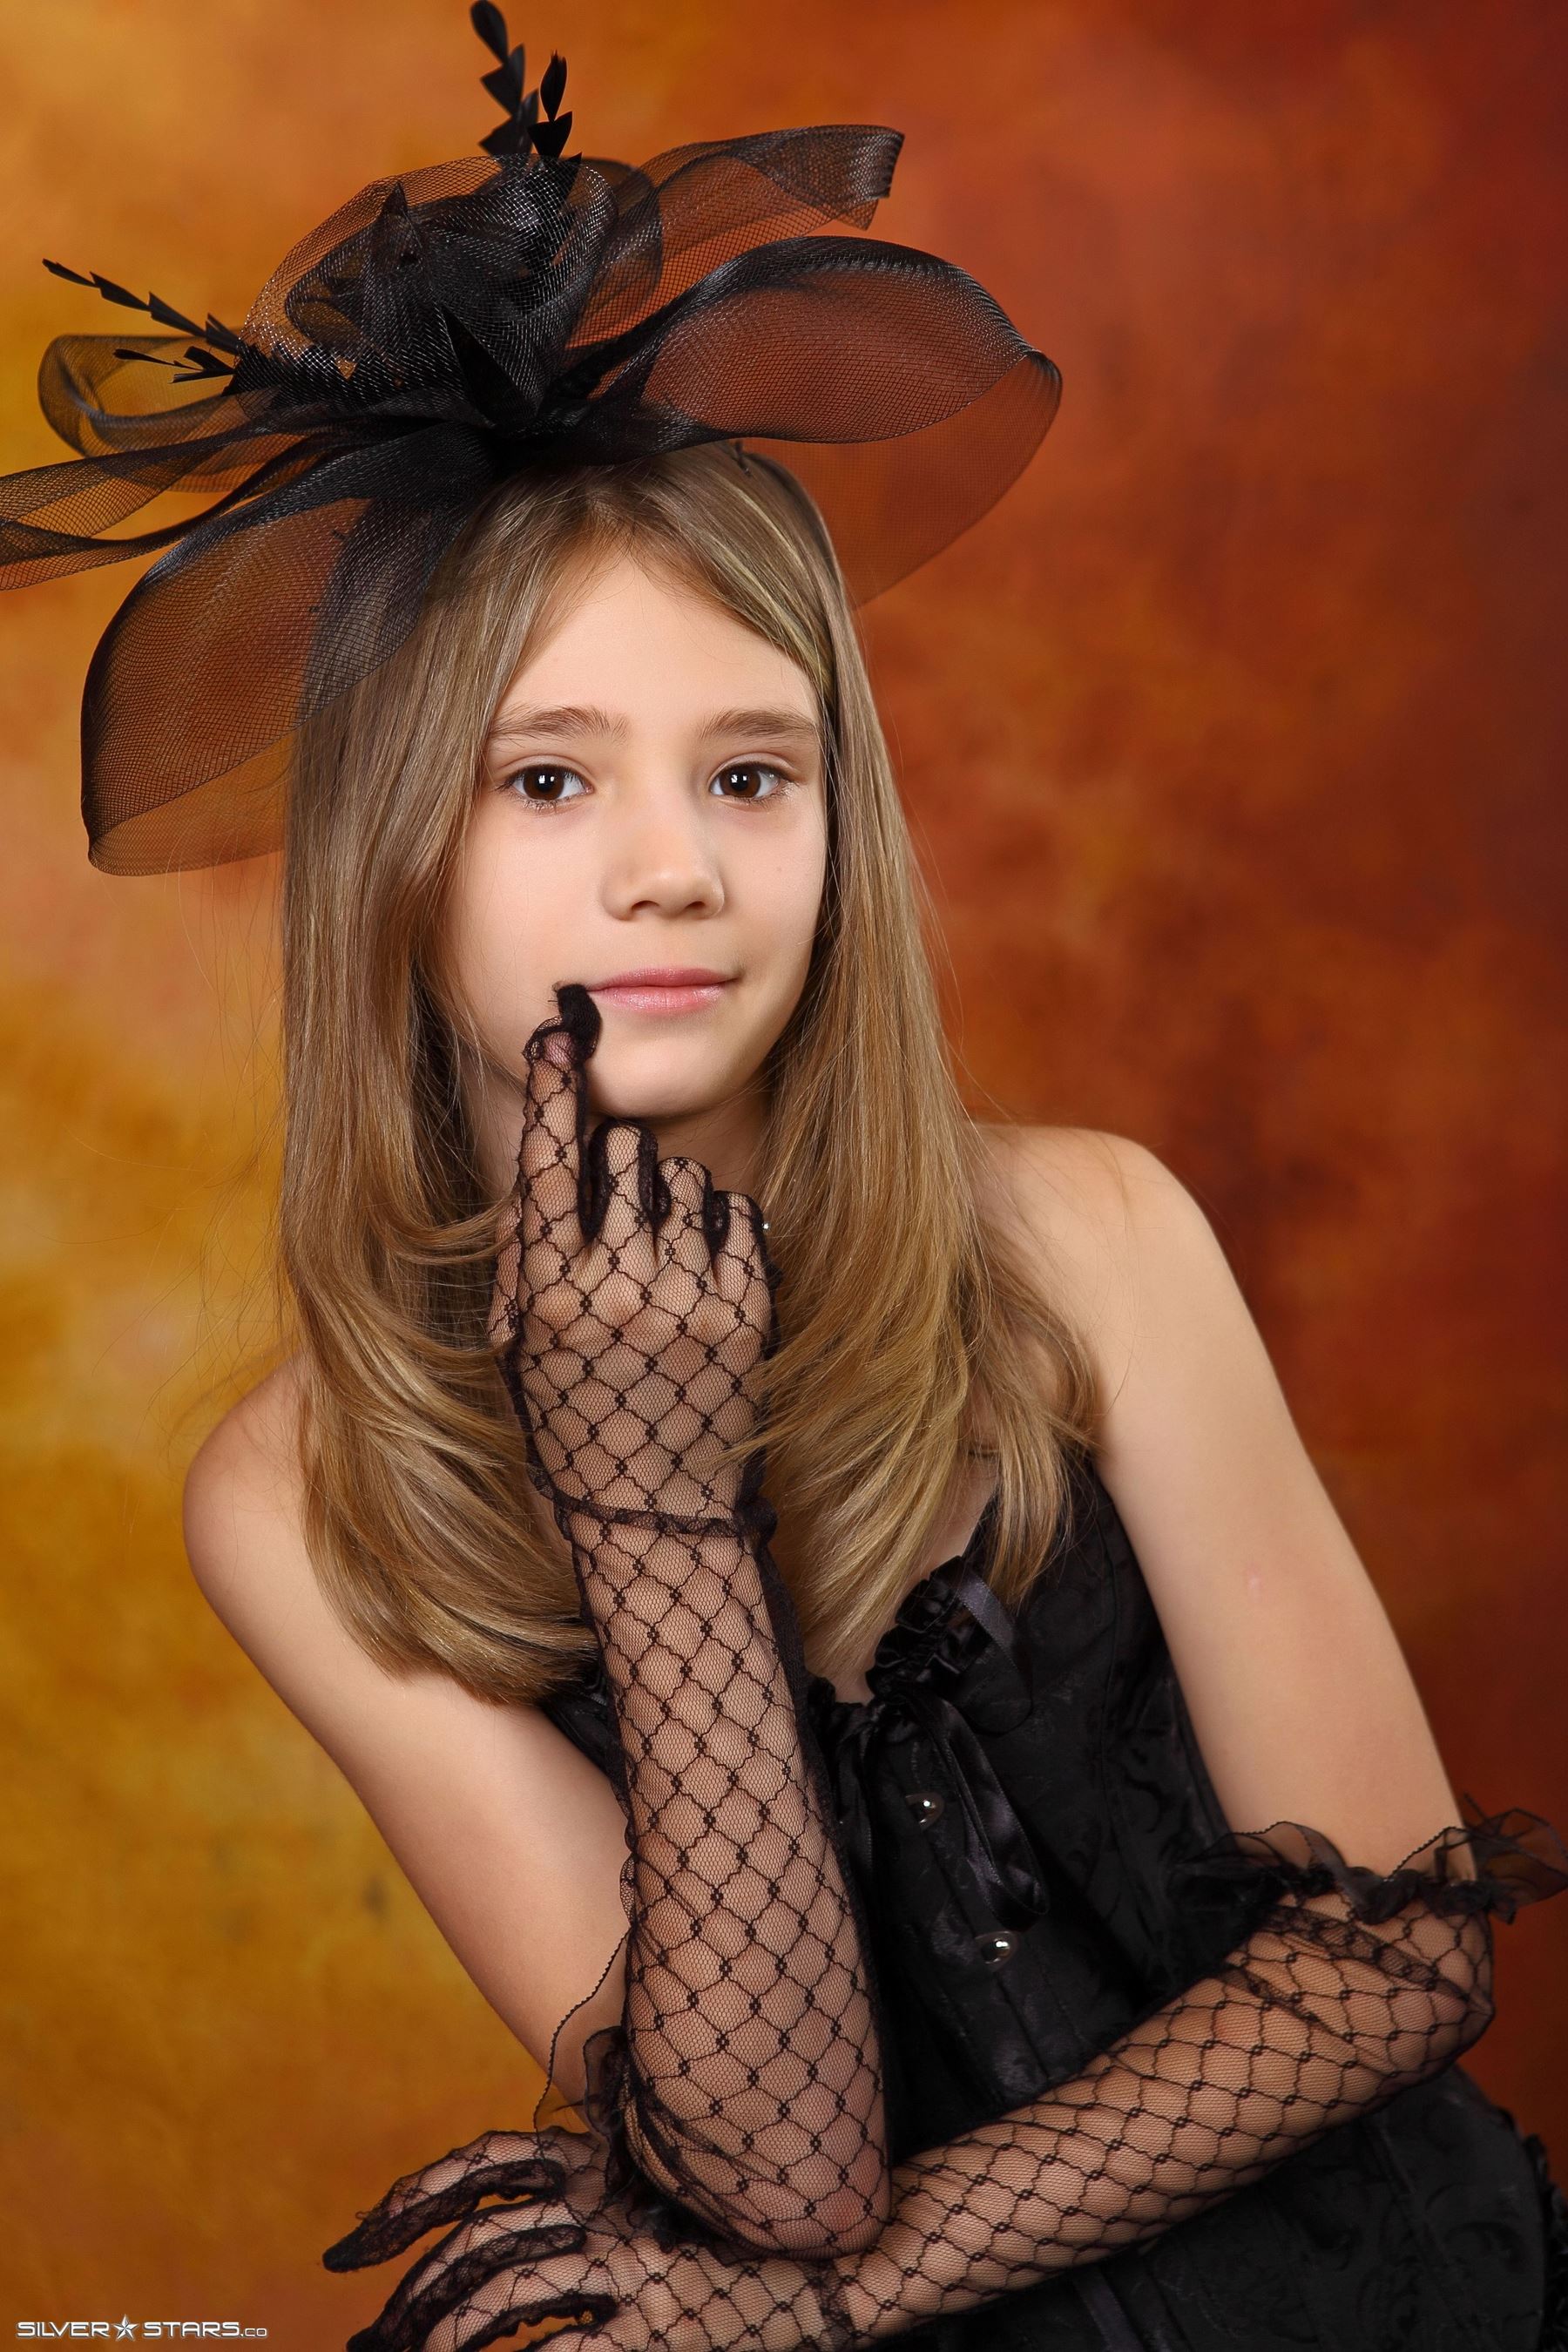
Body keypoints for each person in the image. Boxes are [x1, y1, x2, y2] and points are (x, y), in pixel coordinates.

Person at [3, 11, 1564, 2351]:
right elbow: (781, 2164)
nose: (675, 873)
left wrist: (851, 2298)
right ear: (395, 851)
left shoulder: (1092, 1240)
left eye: (753, 775)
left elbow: (1399, 1955)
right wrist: (652, 1513)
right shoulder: (302, 1493)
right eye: (548, 781)